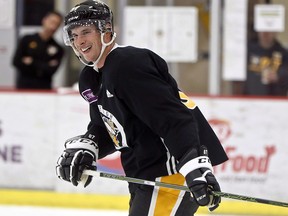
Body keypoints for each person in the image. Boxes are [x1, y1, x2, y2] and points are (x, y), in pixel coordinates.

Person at [56, 1, 228, 215]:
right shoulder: (91, 78)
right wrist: (90, 144)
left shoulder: (128, 65)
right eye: (73, 35)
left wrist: (194, 165)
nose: (79, 41)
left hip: (169, 176)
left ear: (106, 31)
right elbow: (108, 126)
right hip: (144, 178)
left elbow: (172, 118)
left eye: (85, 32)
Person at [12, 11, 64, 89]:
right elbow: (16, 61)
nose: (53, 27)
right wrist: (44, 65)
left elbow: (51, 70)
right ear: (44, 20)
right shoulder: (27, 40)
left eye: (57, 24)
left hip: (44, 88)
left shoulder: (58, 48)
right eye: (52, 22)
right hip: (24, 87)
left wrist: (31, 62)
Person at [243, 31, 288, 96]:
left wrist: (278, 76)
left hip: (275, 99)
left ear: (275, 33)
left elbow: (285, 74)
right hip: (250, 98)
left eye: (269, 31)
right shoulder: (248, 50)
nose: (265, 33)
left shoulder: (283, 53)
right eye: (262, 31)